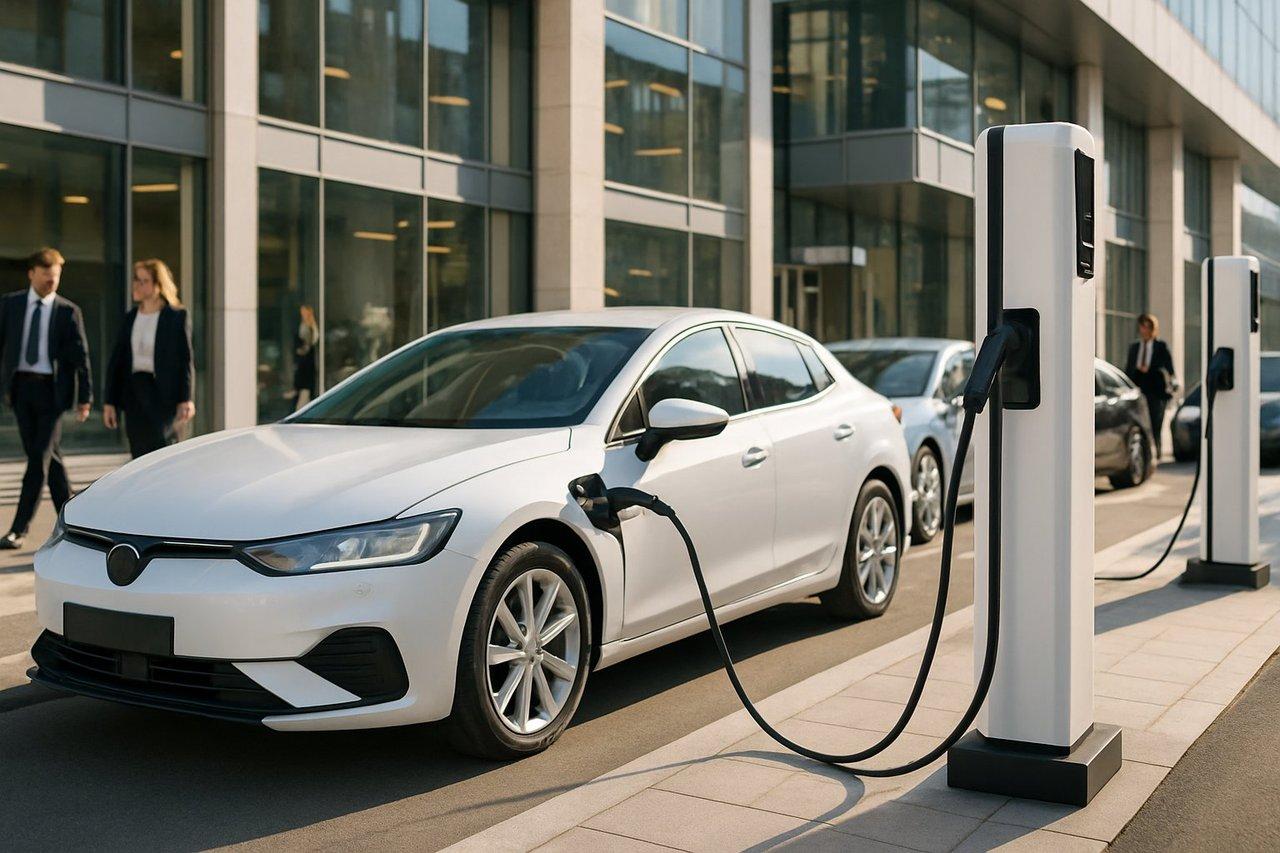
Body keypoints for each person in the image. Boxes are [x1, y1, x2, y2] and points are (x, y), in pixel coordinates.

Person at [0, 248, 92, 550]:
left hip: (52, 394)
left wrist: (85, 397)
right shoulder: (11, 305)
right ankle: (77, 525)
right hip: (21, 390)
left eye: (56, 278)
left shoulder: (68, 311)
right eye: (46, 277)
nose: (52, 282)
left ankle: (18, 529)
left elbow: (81, 358)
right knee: (50, 460)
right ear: (32, 274)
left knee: (38, 460)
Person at [103, 259, 195, 458]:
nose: (136, 285)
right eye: (136, 280)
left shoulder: (176, 316)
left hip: (162, 393)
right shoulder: (130, 317)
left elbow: (185, 359)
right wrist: (110, 401)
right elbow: (117, 362)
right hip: (134, 392)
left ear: (157, 285)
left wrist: (186, 398)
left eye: (143, 281)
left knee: (163, 449)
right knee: (138, 452)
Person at [1124, 312, 1175, 460]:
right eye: (1142, 326)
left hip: (1156, 391)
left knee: (1155, 423)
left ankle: (1156, 453)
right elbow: (1128, 369)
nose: (1145, 330)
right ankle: (1144, 454)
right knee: (1140, 424)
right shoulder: (1134, 347)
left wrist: (1151, 369)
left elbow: (1169, 369)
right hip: (1139, 390)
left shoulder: (1161, 346)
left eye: (1148, 327)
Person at [293, 304, 319, 410]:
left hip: (307, 360)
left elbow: (310, 342)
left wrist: (303, 349)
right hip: (304, 360)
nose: (302, 314)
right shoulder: (303, 325)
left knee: (306, 388)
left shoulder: (310, 326)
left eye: (304, 312)